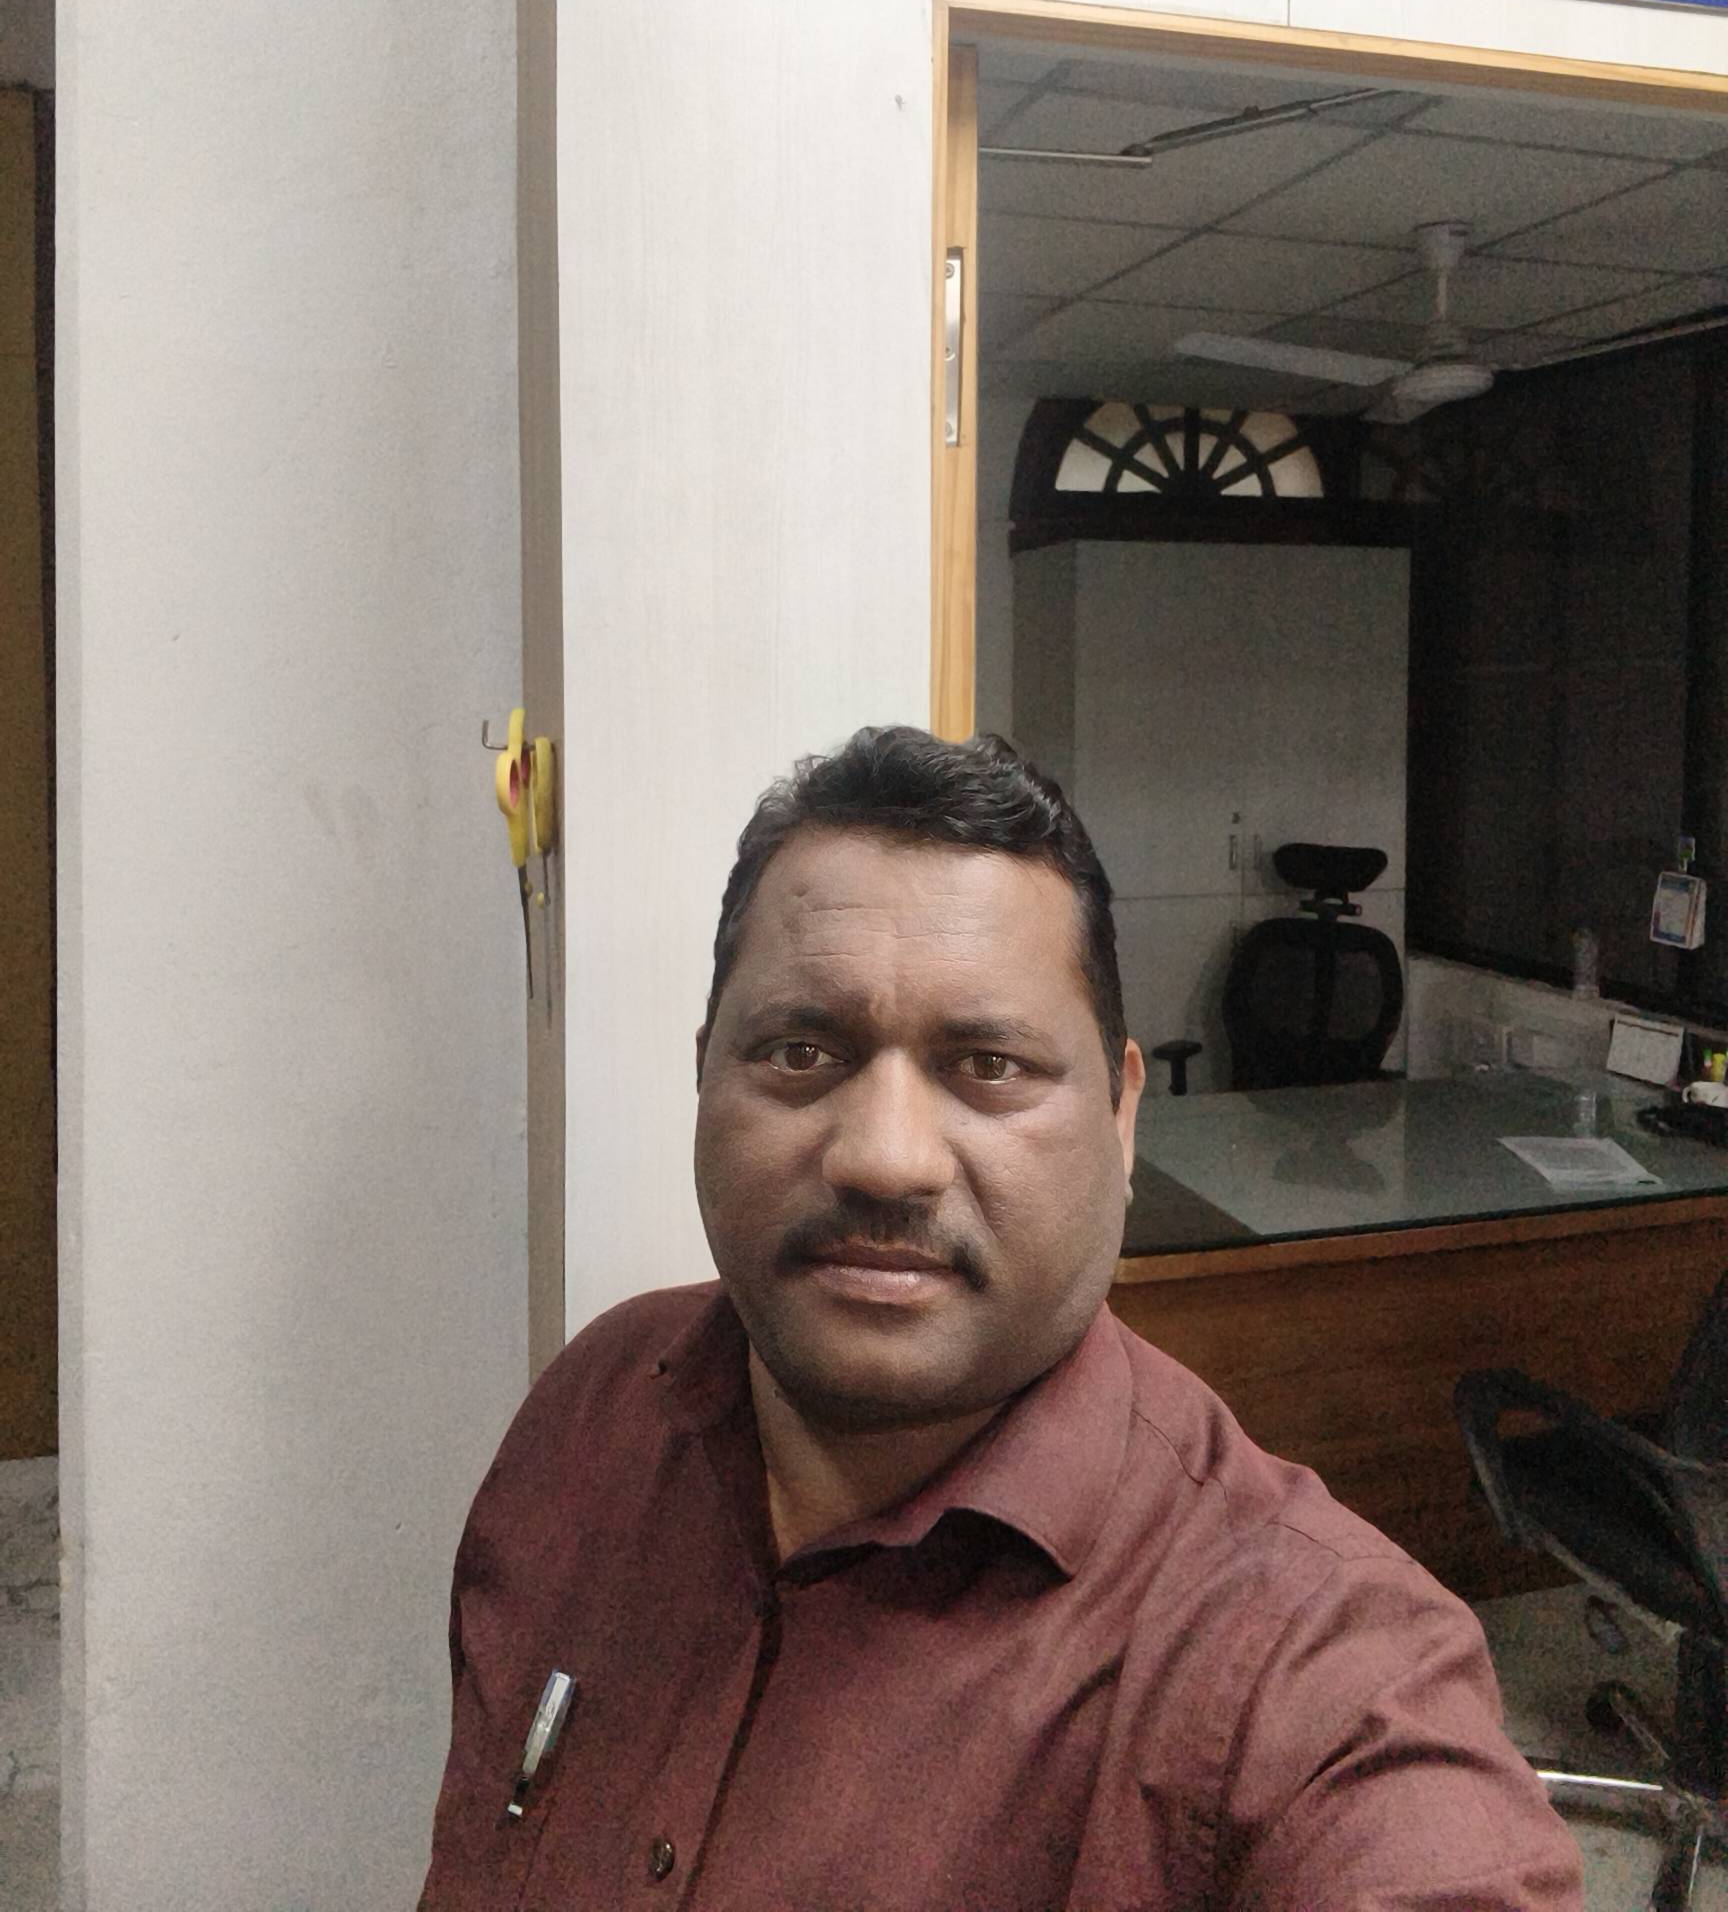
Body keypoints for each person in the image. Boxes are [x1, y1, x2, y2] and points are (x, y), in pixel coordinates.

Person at [420, 726, 1580, 1910]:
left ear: (1123, 1117)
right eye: (801, 1051)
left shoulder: (1304, 1672)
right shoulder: (596, 1407)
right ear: (704, 1075)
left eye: (987, 1065)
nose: (886, 1159)